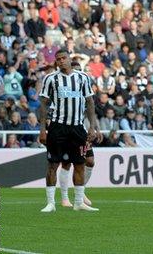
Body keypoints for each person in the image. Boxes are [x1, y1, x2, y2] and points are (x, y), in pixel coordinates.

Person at [38, 49, 100, 212]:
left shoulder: (83, 77)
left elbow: (90, 102)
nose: (61, 61)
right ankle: (51, 203)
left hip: (78, 128)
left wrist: (92, 127)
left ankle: (79, 202)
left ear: (70, 59)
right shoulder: (50, 79)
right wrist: (43, 129)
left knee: (80, 163)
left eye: (63, 58)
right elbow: (44, 103)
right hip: (57, 127)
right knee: (53, 164)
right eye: (58, 59)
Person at [57, 61, 97, 208]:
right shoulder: (62, 89)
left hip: (81, 130)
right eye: (77, 70)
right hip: (66, 129)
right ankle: (64, 198)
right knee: (67, 163)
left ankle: (80, 190)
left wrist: (95, 128)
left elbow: (90, 111)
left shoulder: (84, 89)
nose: (80, 73)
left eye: (81, 70)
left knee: (90, 161)